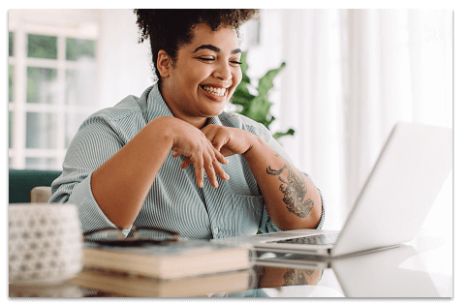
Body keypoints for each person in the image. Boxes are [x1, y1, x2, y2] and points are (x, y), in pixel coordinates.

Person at [50, 8, 324, 239]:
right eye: (207, 58)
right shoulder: (108, 130)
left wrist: (255, 148)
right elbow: (69, 234)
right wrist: (161, 132)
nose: (225, 74)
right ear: (165, 63)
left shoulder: (248, 134)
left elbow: (307, 224)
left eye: (234, 60)